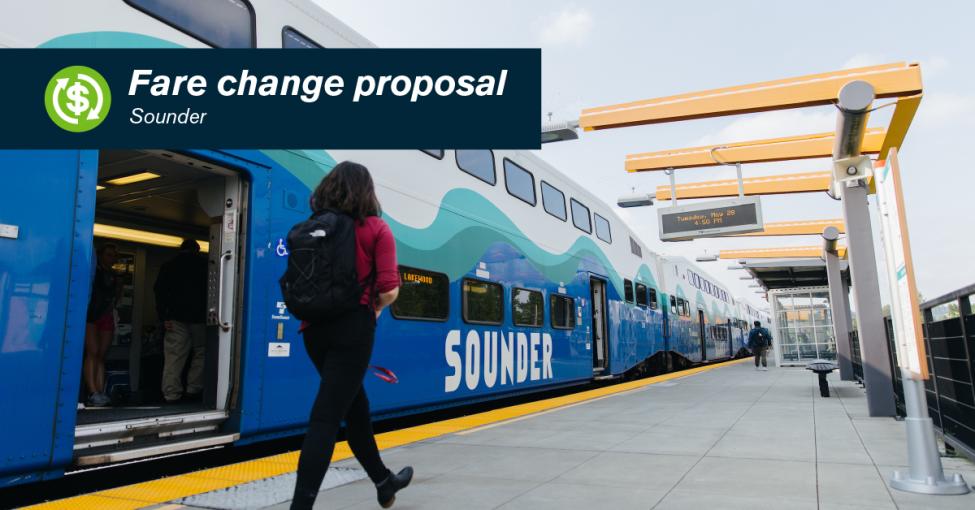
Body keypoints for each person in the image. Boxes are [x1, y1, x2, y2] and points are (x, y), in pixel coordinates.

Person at [291, 161, 412, 510]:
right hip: (353, 330)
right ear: (366, 192)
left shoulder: (310, 228)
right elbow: (389, 289)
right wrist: (373, 309)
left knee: (355, 407)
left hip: (313, 331)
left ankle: (383, 482)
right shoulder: (376, 229)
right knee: (326, 418)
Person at [154, 239, 208, 403]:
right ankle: (194, 388)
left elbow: (159, 291)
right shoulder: (205, 265)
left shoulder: (168, 266)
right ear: (197, 250)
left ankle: (171, 394)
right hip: (199, 317)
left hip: (175, 318)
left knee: (174, 356)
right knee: (201, 352)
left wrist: (164, 316)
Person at [84, 243, 119, 407]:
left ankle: (100, 391)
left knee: (101, 354)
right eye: (108, 254)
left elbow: (116, 297)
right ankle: (93, 392)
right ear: (100, 255)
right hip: (91, 315)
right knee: (93, 351)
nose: (111, 258)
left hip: (106, 315)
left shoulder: (114, 275)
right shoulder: (92, 271)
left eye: (113, 255)